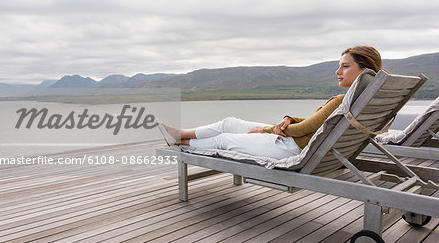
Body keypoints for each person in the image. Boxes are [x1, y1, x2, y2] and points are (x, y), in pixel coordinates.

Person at [158, 45, 383, 160]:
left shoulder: (344, 100)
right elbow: (317, 123)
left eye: (345, 66)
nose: (337, 71)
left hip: (289, 149)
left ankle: (182, 144)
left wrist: (264, 129)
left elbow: (306, 129)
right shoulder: (363, 100)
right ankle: (180, 134)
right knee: (229, 122)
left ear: (364, 70)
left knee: (224, 139)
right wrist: (290, 119)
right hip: (288, 141)